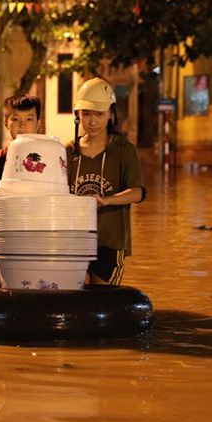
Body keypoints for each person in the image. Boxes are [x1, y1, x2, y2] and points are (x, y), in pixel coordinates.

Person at [65, 77, 145, 286]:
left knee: (102, 301)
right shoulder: (68, 151)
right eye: (86, 114)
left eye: (99, 115)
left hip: (110, 241)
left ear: (111, 114)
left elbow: (137, 192)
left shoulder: (125, 150)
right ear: (78, 115)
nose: (92, 122)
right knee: (77, 299)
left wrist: (107, 200)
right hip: (74, 240)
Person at [0, 94, 42, 284]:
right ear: (6, 122)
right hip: (5, 232)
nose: (22, 126)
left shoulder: (48, 155)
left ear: (38, 122)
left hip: (38, 233)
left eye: (29, 119)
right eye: (15, 119)